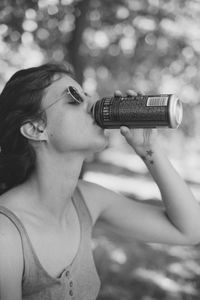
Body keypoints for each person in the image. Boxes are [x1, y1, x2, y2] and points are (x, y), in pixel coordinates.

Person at [0, 63, 200, 300]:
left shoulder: (87, 201)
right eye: (74, 98)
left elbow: (189, 230)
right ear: (35, 128)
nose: (92, 103)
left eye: (87, 95)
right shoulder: (6, 237)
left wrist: (149, 149)